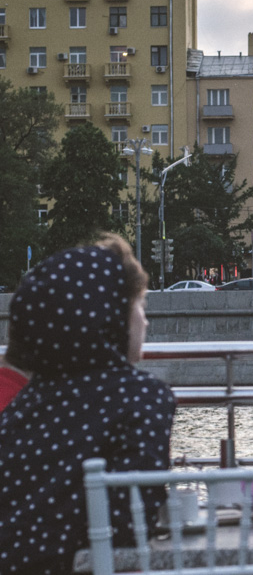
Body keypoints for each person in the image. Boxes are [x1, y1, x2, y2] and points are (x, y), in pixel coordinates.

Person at [0, 234, 177, 575]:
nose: (145, 320)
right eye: (139, 305)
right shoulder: (142, 397)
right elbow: (129, 531)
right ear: (110, 318)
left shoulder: (23, 406)